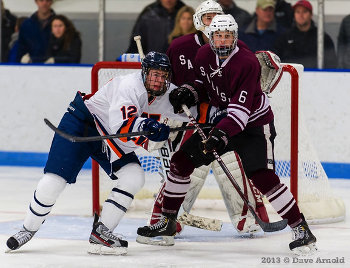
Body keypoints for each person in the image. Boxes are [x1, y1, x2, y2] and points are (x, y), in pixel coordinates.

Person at [136, 14, 317, 255]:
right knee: (180, 163)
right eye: (218, 36)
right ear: (210, 37)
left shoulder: (246, 62)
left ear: (235, 37)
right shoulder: (203, 55)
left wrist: (219, 135)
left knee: (262, 177)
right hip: (221, 121)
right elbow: (201, 84)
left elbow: (240, 114)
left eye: (227, 36)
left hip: (253, 125)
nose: (222, 41)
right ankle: (168, 221)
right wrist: (189, 92)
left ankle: (301, 229)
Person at [5, 52, 183, 255]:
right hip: (82, 123)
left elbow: (190, 109)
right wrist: (149, 126)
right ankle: (27, 229)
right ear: (144, 72)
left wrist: (213, 113)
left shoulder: (163, 92)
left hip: (108, 134)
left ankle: (102, 231)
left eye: (163, 75)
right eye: (154, 75)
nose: (158, 80)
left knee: (133, 176)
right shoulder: (129, 86)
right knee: (53, 181)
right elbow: (122, 126)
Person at [149, 0, 269, 235]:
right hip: (187, 119)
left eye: (217, 17)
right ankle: (164, 216)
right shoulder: (180, 46)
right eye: (207, 18)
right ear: (197, 21)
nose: (213, 22)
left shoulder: (237, 47)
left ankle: (249, 215)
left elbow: (248, 84)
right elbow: (167, 82)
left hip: (224, 117)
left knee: (232, 168)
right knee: (187, 170)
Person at [274, 0, 337, 69]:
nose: (301, 15)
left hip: (316, 78)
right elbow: (276, 61)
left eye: (304, 11)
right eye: (297, 12)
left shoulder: (322, 37)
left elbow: (331, 63)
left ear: (311, 14)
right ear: (294, 15)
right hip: (290, 77)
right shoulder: (285, 38)